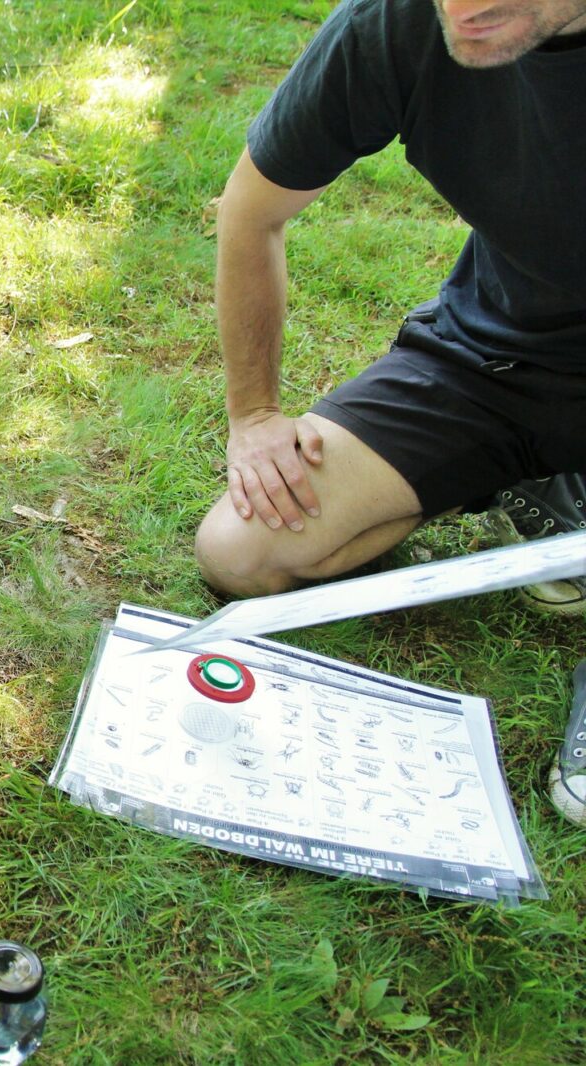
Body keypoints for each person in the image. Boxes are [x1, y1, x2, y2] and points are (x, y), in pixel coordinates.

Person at [193, 0, 586, 823]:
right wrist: (256, 414)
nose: (467, 6)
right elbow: (252, 210)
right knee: (242, 550)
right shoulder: (398, 22)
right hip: (494, 361)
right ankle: (544, 484)